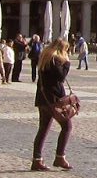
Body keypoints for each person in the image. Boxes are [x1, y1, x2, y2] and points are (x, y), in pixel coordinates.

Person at [31, 39, 74, 171]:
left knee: (43, 129)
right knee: (67, 127)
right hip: (54, 99)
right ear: (61, 49)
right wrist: (67, 63)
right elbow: (61, 77)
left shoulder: (45, 59)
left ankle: (37, 160)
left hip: (43, 99)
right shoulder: (54, 60)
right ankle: (60, 156)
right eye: (65, 50)